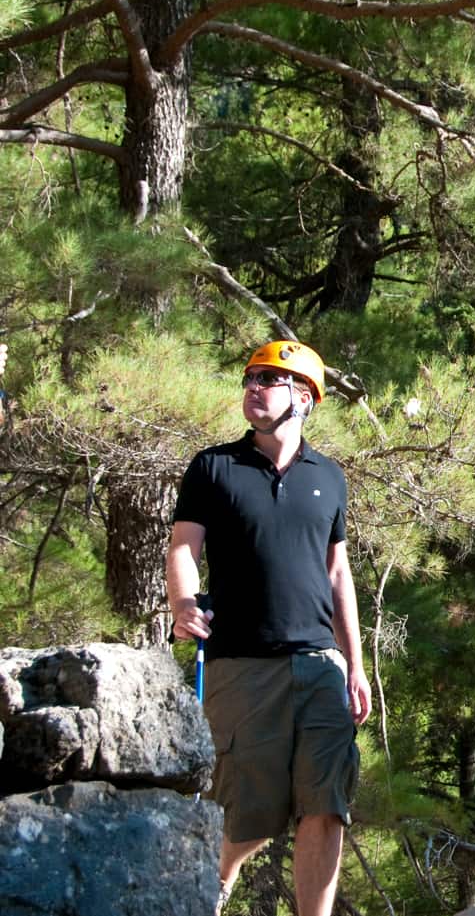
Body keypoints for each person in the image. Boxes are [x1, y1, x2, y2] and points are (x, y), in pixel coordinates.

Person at [166, 340, 371, 916]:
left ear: (304, 398)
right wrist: (184, 603)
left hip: (320, 665)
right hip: (240, 665)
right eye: (250, 377)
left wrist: (355, 664)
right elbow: (184, 546)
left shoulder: (329, 477)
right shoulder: (214, 467)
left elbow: (338, 574)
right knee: (248, 814)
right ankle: (220, 876)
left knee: (326, 803)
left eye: (269, 379)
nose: (253, 387)